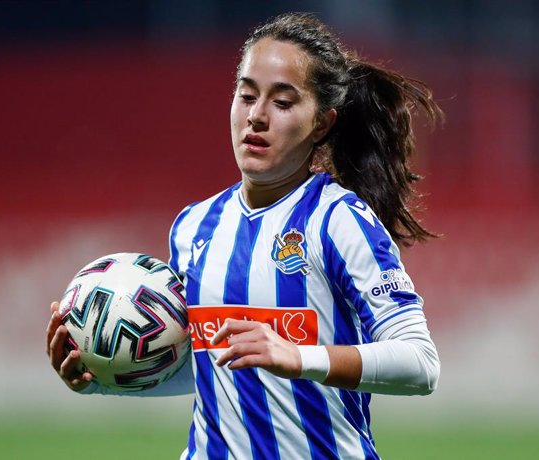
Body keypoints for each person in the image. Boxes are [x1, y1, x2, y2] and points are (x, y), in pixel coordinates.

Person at [46, 12, 441, 460]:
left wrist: (298, 357)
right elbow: (213, 371)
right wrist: (101, 379)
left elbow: (420, 364)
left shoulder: (338, 219)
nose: (256, 116)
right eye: (246, 95)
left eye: (283, 103)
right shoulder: (194, 226)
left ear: (323, 124)